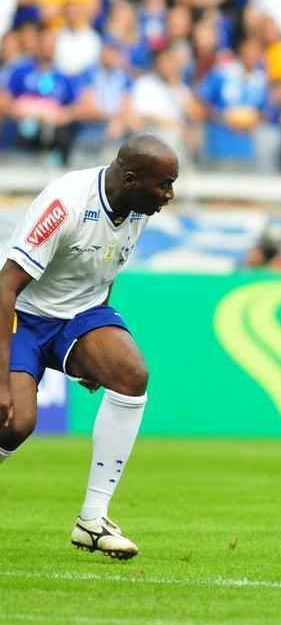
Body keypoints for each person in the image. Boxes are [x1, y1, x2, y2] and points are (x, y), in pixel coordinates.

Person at [0, 134, 178, 559]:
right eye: (164, 185)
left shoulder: (138, 206)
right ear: (131, 178)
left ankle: (92, 520)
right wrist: (2, 383)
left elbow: (106, 268)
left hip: (79, 316)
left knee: (131, 374)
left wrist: (93, 352)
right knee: (16, 422)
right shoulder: (67, 203)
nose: (169, 196)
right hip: (23, 315)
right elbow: (6, 285)